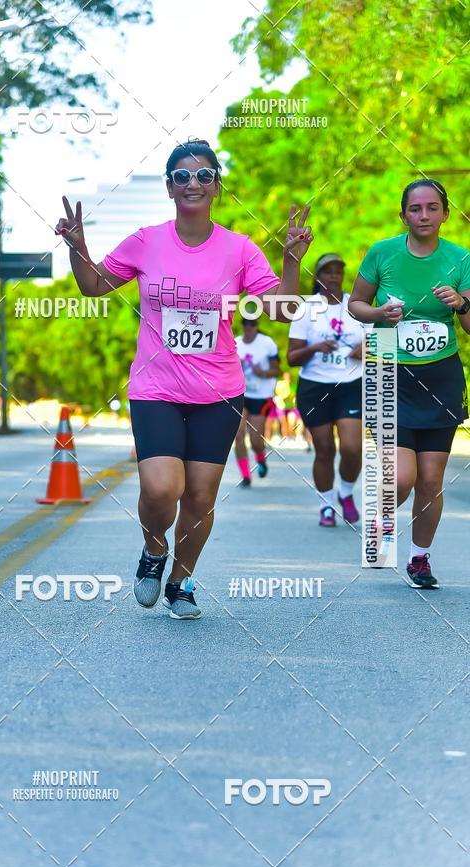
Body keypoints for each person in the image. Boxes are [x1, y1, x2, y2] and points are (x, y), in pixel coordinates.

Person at [55, 138, 313, 618]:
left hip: (219, 392)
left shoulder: (238, 249)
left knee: (199, 496)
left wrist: (292, 260)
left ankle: (181, 582)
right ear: (169, 188)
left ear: (217, 186)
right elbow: (93, 286)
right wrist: (78, 248)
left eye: (203, 175)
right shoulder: (146, 241)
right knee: (160, 488)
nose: (192, 183)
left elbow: (284, 309)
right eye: (182, 176)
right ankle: (155, 552)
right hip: (156, 389)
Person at [348, 178, 470, 588]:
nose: (423, 215)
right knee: (402, 477)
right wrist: (380, 314)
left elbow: (469, 326)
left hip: (441, 376)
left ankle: (419, 558)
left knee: (432, 479)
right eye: (415, 209)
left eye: (432, 208)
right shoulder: (383, 253)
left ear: (444, 213)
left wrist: (462, 303)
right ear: (403, 215)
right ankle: (382, 517)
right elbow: (356, 305)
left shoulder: (460, 258)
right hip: (390, 375)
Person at [288, 253, 368, 526]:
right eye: (327, 271)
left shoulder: (357, 306)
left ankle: (345, 493)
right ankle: (327, 504)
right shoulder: (305, 308)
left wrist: (366, 349)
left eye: (338, 271)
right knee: (324, 449)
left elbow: (381, 343)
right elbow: (291, 357)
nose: (333, 275)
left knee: (352, 447)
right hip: (315, 386)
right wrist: (314, 348)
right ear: (318, 277)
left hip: (350, 384)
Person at [234, 318, 281, 486]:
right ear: (242, 325)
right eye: (245, 323)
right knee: (238, 435)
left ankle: (260, 458)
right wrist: (235, 367)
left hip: (261, 396)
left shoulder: (267, 343)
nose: (248, 327)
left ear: (257, 326)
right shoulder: (236, 343)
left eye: (252, 324)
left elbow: (277, 370)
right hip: (241, 394)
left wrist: (263, 373)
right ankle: (246, 476)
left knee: (255, 439)